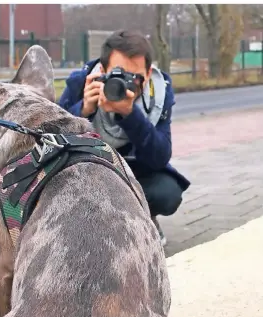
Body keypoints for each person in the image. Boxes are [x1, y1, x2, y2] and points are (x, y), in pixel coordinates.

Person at [58, 29, 191, 246]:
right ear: (102, 70)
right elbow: (51, 140)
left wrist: (130, 115)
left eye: (135, 77)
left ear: (148, 74)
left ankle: (146, 219)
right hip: (89, 168)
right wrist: (81, 111)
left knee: (167, 193)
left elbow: (160, 156)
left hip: (136, 172)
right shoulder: (82, 83)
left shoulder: (158, 92)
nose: (125, 85)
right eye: (117, 75)